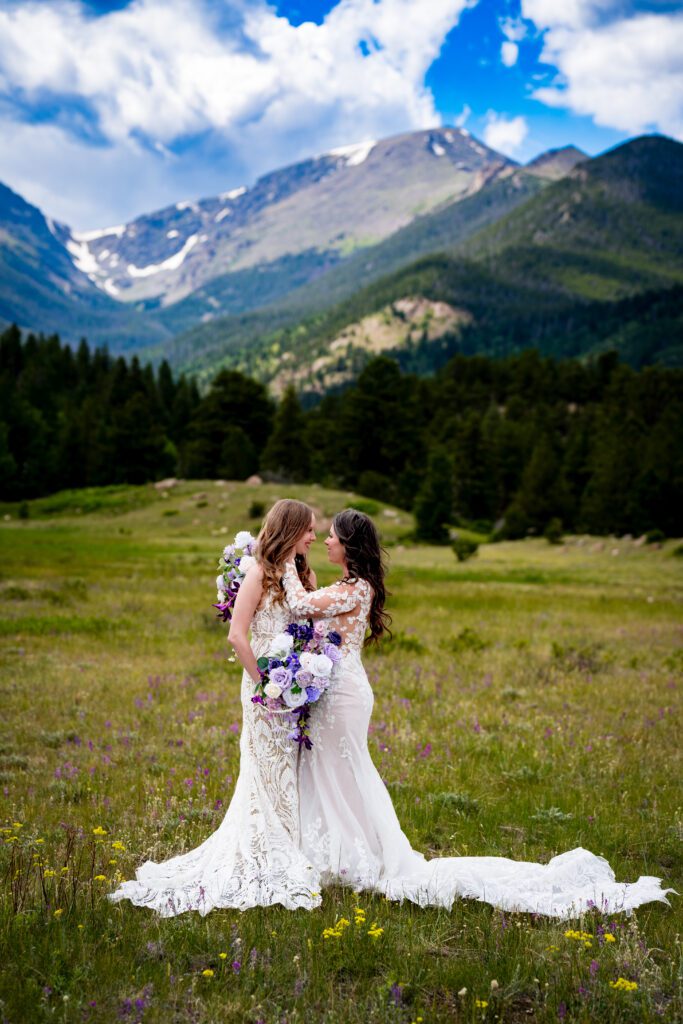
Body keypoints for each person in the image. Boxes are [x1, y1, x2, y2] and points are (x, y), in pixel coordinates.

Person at [281, 508, 674, 918]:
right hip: (336, 691)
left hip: (344, 695)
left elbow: (300, 604)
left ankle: (362, 856)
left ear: (349, 545)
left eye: (331, 536)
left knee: (347, 771)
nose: (325, 541)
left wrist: (286, 557)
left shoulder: (357, 588)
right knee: (331, 772)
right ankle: (338, 851)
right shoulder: (347, 586)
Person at [109, 499, 323, 916]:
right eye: (309, 530)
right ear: (291, 529)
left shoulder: (307, 574)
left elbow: (309, 630)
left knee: (291, 769)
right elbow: (238, 636)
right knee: (263, 770)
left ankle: (293, 847)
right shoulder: (259, 573)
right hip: (262, 691)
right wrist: (264, 684)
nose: (314, 537)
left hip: (295, 689)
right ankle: (262, 851)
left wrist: (305, 671)